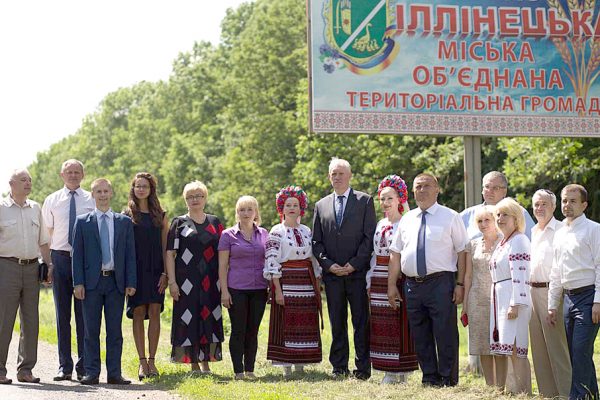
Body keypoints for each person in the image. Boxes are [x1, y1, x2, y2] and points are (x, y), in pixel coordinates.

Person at [388, 173, 467, 387]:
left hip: (441, 282)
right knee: (420, 333)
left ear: (437, 189)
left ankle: (447, 378)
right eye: (418, 187)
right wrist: (391, 285)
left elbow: (462, 251)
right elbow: (395, 253)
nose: (421, 190)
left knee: (445, 332)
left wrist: (460, 284)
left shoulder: (450, 216)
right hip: (412, 284)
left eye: (426, 186)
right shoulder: (407, 219)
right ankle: (430, 376)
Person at [312, 158, 376, 380]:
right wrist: (330, 265)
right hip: (333, 276)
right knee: (336, 322)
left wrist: (353, 264)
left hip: (357, 274)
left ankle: (362, 368)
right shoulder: (321, 205)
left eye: (340, 173)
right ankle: (339, 366)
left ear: (349, 176)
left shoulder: (365, 201)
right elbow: (316, 242)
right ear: (329, 177)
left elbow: (369, 238)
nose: (337, 177)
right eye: (333, 174)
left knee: (361, 322)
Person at [72, 178, 137, 385]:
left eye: (105, 191)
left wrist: (131, 281)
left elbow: (130, 255)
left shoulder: (124, 222)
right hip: (91, 284)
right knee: (91, 331)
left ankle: (114, 373)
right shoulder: (83, 222)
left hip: (115, 283)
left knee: (115, 331)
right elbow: (78, 256)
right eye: (98, 191)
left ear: (111, 193)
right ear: (92, 195)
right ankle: (92, 372)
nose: (102, 195)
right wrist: (78, 283)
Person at [41, 159, 95, 381]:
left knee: (84, 316)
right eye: (69, 172)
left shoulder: (91, 199)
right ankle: (65, 366)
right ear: (61, 175)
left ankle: (84, 366)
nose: (73, 175)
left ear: (82, 175)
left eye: (77, 172)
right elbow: (45, 235)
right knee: (62, 315)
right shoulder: (52, 200)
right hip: (60, 259)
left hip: (84, 262)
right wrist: (47, 264)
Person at [165, 181, 224, 375]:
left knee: (208, 318)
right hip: (186, 283)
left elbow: (224, 254)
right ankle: (194, 364)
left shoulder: (215, 223)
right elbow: (170, 254)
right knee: (189, 320)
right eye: (190, 197)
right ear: (185, 200)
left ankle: (206, 362)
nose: (194, 200)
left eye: (198, 196)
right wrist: (172, 282)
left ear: (205, 198)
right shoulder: (178, 222)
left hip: (211, 282)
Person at [0, 169, 52, 385]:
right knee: (4, 320)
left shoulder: (36, 208)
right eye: (23, 180)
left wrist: (49, 267)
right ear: (11, 183)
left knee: (31, 321)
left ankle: (25, 369)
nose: (28, 183)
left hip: (32, 269)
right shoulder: (1, 208)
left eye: (30, 179)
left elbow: (43, 242)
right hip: (6, 267)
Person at [548, 184, 600, 400]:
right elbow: (556, 270)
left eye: (572, 201)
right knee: (577, 354)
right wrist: (552, 304)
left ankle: (577, 397)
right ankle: (592, 395)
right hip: (568, 299)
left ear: (584, 205)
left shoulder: (594, 229)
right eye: (564, 201)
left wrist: (598, 301)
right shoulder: (560, 233)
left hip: (589, 297)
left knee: (580, 351)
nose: (567, 205)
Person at [264, 186, 322, 377]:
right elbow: (272, 261)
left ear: (300, 208)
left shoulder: (306, 231)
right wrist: (277, 291)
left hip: (306, 281)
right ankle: (286, 365)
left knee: (304, 321)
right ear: (282, 208)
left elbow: (314, 259)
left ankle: (301, 363)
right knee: (287, 321)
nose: (291, 208)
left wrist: (317, 282)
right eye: (288, 205)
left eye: (295, 205)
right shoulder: (277, 231)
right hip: (286, 280)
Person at [366, 175, 418, 384]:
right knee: (381, 323)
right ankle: (387, 369)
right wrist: (370, 279)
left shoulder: (407, 223)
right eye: (382, 199)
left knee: (400, 322)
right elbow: (374, 253)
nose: (385, 203)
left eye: (390, 198)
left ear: (399, 199)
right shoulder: (380, 224)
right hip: (379, 274)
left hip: (398, 276)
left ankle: (401, 370)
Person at [123, 173, 169, 379]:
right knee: (139, 313)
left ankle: (152, 361)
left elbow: (166, 247)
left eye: (145, 186)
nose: (141, 189)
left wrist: (166, 273)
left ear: (151, 190)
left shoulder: (161, 214)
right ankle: (142, 363)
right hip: (135, 271)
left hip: (157, 270)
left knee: (155, 311)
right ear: (133, 188)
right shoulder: (126, 214)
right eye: (137, 186)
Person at [218, 195, 268, 380]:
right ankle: (238, 371)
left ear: (256, 212)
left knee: (253, 330)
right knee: (238, 329)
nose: (245, 213)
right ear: (237, 212)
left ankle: (250, 370)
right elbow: (222, 266)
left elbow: (270, 261)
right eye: (241, 210)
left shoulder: (264, 234)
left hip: (260, 289)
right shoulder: (227, 235)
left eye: (249, 209)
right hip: (236, 288)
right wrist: (224, 291)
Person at [529, 189, 571, 398]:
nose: (539, 208)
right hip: (532, 292)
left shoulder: (562, 230)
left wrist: (554, 300)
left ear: (554, 207)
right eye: (536, 204)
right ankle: (548, 394)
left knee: (557, 348)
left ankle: (565, 393)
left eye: (544, 204)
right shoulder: (533, 230)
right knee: (538, 348)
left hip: (552, 292)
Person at [488, 197, 532, 394]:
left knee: (516, 347)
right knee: (506, 347)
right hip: (500, 297)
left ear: (516, 218)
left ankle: (523, 392)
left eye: (505, 214)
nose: (500, 218)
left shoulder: (519, 240)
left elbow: (521, 275)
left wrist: (515, 303)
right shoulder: (503, 242)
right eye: (498, 215)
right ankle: (510, 390)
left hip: (513, 299)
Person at [462, 206, 502, 386]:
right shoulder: (473, 244)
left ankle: (504, 386)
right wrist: (465, 304)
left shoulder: (505, 241)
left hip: (499, 297)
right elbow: (468, 275)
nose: (484, 224)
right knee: (482, 345)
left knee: (500, 343)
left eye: (487, 220)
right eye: (480, 221)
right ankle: (491, 385)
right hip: (476, 298)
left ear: (495, 220)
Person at [461, 171, 535, 240]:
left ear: (504, 191)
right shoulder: (467, 215)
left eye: (495, 188)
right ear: (482, 190)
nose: (490, 191)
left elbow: (533, 240)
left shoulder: (518, 212)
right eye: (487, 187)